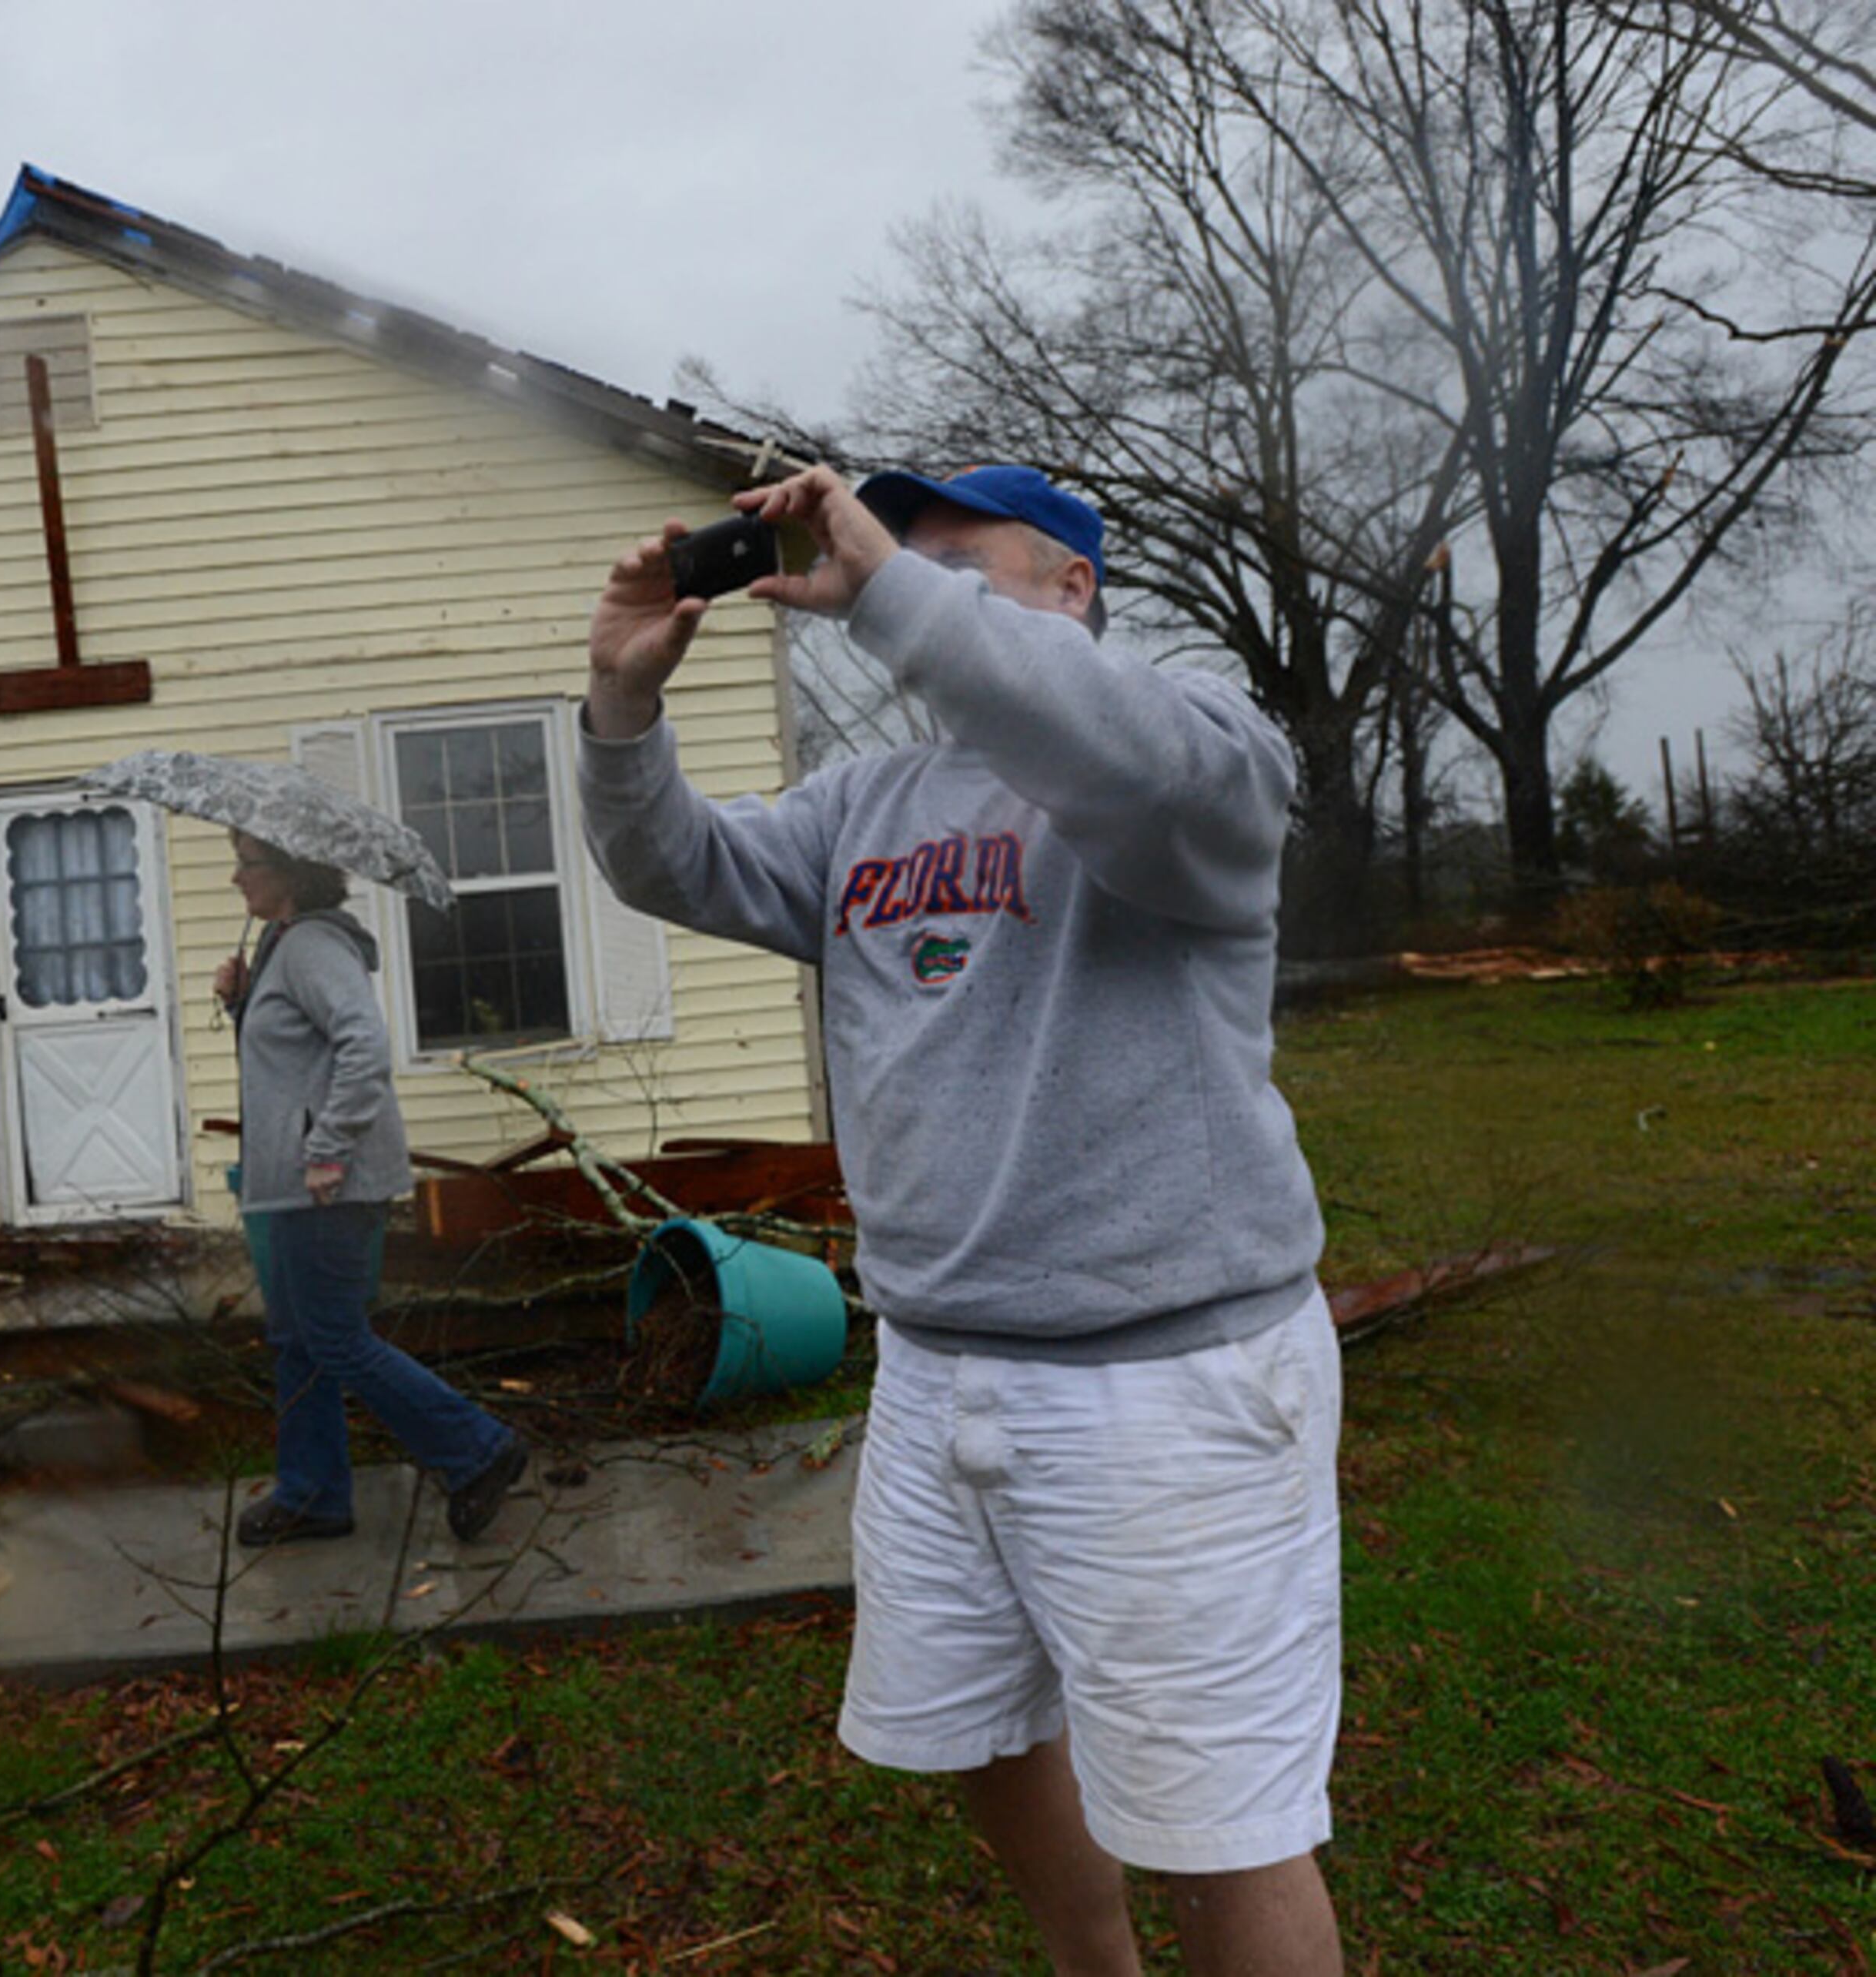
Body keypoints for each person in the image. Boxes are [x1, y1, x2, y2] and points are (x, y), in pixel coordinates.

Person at [577, 463, 1344, 1976]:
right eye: (889, 555)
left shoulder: (1197, 756)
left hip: (1164, 1390)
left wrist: (893, 600)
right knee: (986, 1729)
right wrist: (619, 709)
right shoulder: (867, 805)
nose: (894, 582)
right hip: (937, 1369)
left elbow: (1127, 759)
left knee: (1220, 1822)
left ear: (1074, 587)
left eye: (951, 566)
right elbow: (676, 862)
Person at [212, 828, 529, 1549]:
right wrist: (240, 1003)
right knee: (298, 1340)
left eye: (247, 864)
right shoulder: (283, 948)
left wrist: (328, 1149)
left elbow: (364, 1044)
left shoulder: (316, 947)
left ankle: (478, 1449)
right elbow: (295, 1059)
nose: (236, 879)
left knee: (333, 1336)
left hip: (327, 1186)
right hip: (294, 1187)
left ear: (290, 874)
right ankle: (313, 1493)